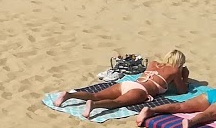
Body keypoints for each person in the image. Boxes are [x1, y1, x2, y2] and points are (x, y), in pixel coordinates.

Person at [52, 51, 191, 118]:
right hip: (141, 90)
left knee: (96, 94)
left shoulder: (153, 63)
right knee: (116, 102)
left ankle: (68, 95)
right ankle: (93, 105)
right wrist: (184, 75)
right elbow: (182, 91)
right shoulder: (174, 70)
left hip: (128, 83)